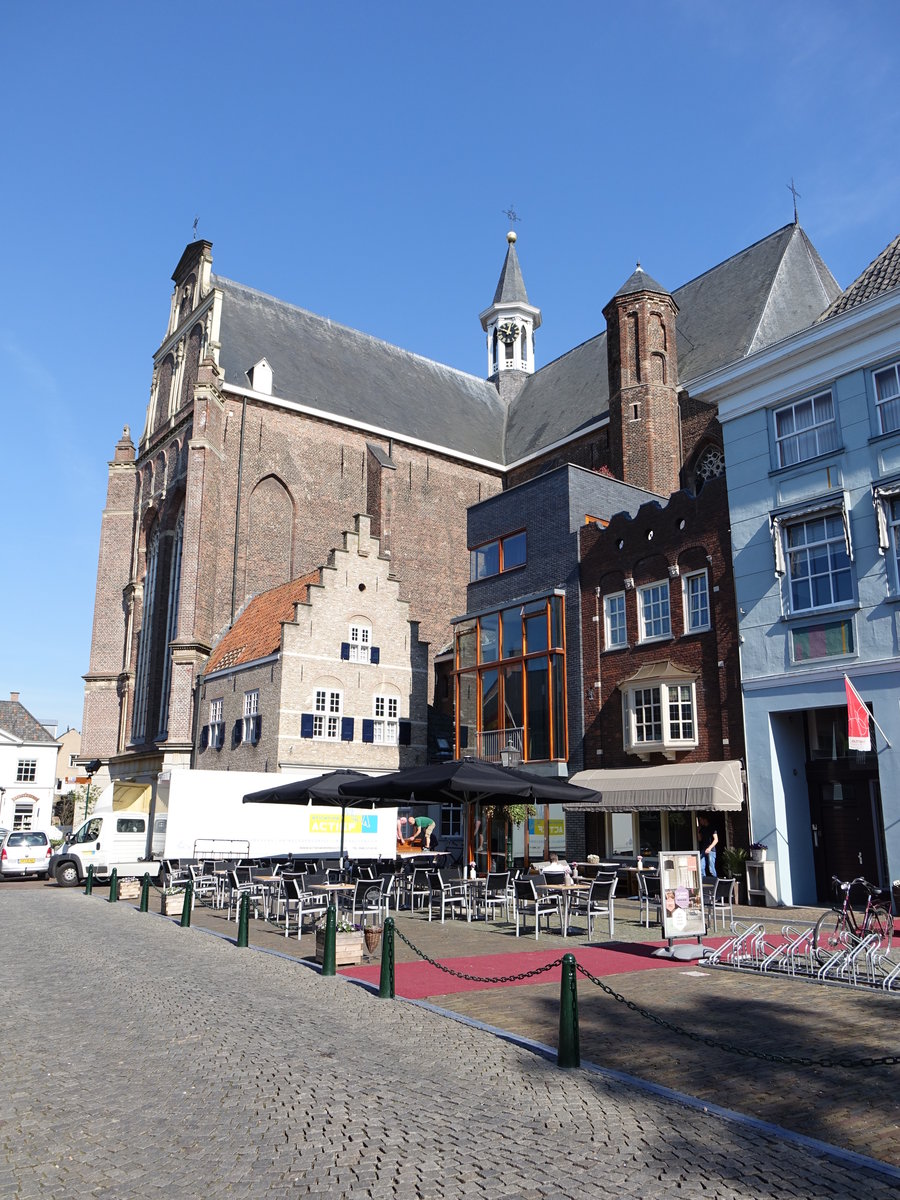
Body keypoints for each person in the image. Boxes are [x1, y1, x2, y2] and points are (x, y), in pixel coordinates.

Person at [697, 814, 719, 878]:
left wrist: (709, 848)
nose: (700, 822)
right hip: (704, 849)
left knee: (711, 868)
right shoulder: (702, 829)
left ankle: (715, 881)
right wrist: (698, 831)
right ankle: (703, 882)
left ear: (705, 820)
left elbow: (716, 839)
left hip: (711, 850)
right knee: (701, 866)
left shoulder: (712, 828)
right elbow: (700, 839)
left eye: (701, 820)